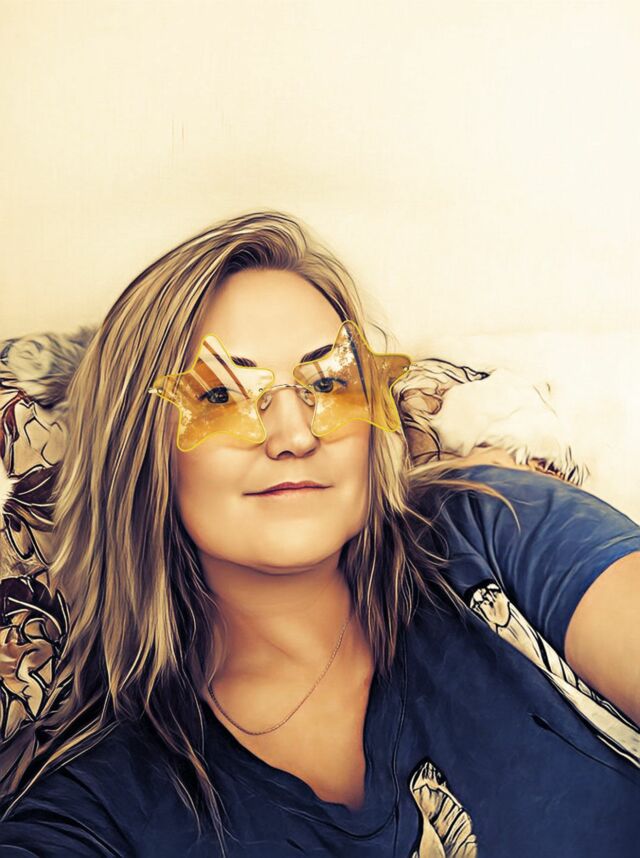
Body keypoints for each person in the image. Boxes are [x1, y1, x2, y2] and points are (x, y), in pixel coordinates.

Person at [0, 211, 638, 857]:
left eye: (328, 383)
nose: (295, 436)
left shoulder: (496, 528)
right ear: (138, 450)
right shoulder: (100, 806)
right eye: (220, 396)